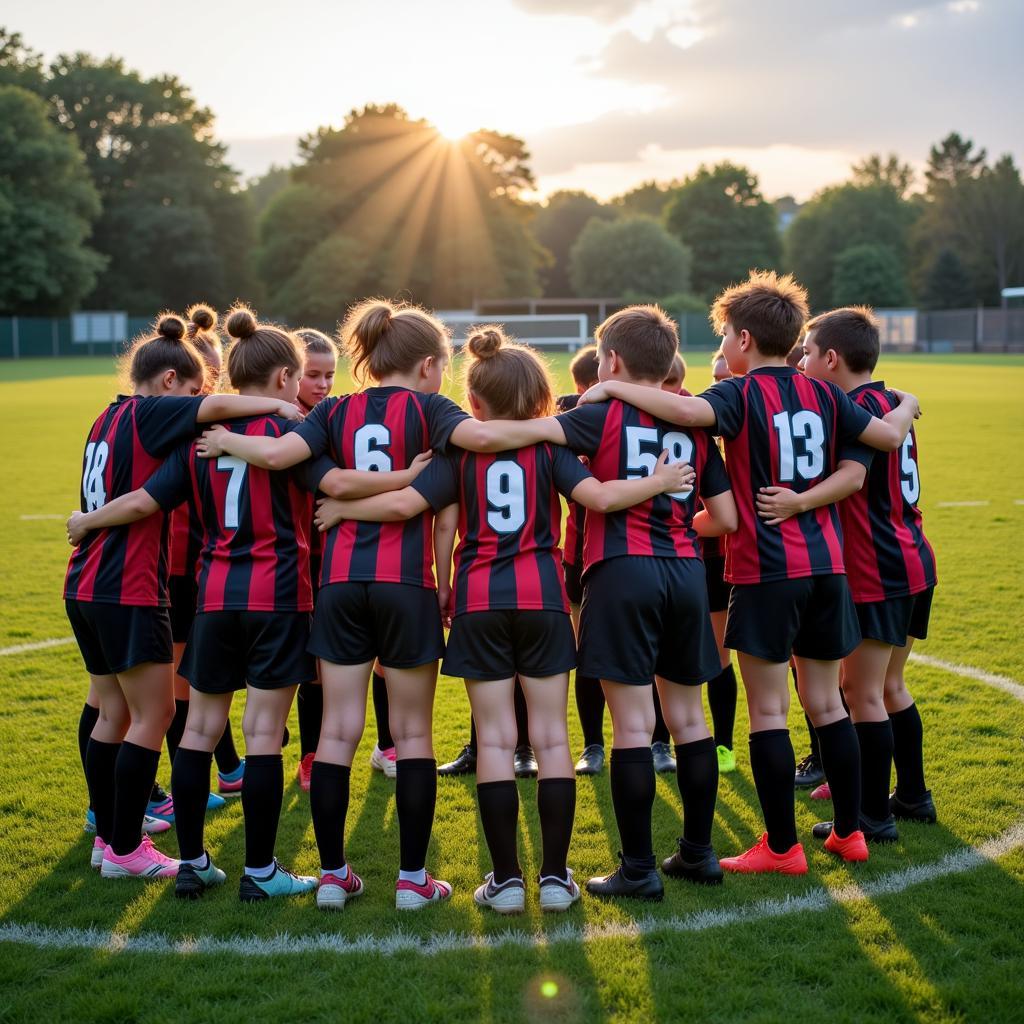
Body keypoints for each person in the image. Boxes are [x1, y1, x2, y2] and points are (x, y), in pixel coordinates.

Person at [195, 299, 560, 910]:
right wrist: (552, 426)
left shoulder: (334, 409)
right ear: (425, 365)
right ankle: (413, 882)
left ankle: (334, 877)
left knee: (337, 732)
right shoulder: (435, 411)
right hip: (406, 588)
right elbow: (476, 445)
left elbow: (294, 464)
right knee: (412, 734)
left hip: (339, 586)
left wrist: (230, 438)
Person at [316, 326, 695, 912]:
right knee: (550, 737)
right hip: (542, 600)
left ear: (473, 403)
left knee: (495, 739)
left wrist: (435, 580)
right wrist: (659, 482)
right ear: (544, 399)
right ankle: (554, 878)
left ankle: (506, 882)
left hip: (476, 600)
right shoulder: (553, 449)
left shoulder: (458, 450)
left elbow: (417, 510)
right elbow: (597, 499)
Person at [580, 272, 922, 873]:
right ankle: (851, 832)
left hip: (768, 569)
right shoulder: (825, 394)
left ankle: (783, 849)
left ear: (742, 340)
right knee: (828, 704)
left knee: (769, 712)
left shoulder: (739, 394)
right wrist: (909, 402)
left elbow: (679, 408)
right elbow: (887, 435)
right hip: (829, 567)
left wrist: (614, 392)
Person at [64, 313, 305, 879]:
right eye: (194, 390)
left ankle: (107, 836)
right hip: (129, 585)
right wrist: (276, 407)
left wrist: (86, 521)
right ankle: (126, 849)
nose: (201, 400)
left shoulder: (106, 416)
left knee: (112, 712)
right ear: (169, 382)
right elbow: (155, 490)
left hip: (85, 582)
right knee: (157, 713)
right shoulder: (150, 412)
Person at [773, 307, 937, 839]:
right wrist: (910, 400)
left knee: (859, 691)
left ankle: (873, 816)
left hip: (878, 565)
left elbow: (850, 480)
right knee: (890, 686)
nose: (801, 360)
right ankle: (912, 795)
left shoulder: (850, 408)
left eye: (807, 351)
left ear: (832, 358)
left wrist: (797, 503)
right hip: (914, 556)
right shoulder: (889, 401)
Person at [149, 304, 239, 825]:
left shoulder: (199, 417)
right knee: (180, 685)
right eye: (209, 374)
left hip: (199, 564)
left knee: (198, 678)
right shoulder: (181, 420)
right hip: (177, 567)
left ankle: (223, 767)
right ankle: (182, 780)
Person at [701, 348, 739, 774]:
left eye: (725, 373)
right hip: (712, 557)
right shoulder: (700, 421)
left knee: (794, 663)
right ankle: (722, 747)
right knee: (718, 655)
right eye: (714, 375)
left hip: (760, 559)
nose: (719, 382)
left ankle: (820, 756)